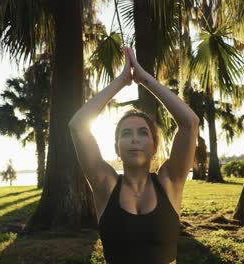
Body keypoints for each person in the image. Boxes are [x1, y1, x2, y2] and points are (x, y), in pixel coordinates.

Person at [68, 48, 199, 264]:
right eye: (126, 134)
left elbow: (190, 123)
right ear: (117, 148)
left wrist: (144, 78)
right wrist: (121, 81)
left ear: (154, 146)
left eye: (142, 133)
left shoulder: (169, 182)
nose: (134, 139)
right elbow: (78, 126)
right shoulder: (105, 185)